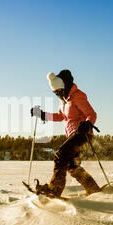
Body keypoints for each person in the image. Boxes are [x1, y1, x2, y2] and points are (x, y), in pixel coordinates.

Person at [30, 69, 102, 197]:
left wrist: (87, 123)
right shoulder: (63, 100)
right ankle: (93, 189)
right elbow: (60, 116)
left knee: (60, 155)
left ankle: (54, 190)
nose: (57, 93)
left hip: (82, 134)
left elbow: (91, 114)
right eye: (55, 92)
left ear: (65, 86)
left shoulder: (77, 96)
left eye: (59, 90)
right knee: (72, 165)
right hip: (73, 135)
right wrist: (43, 115)